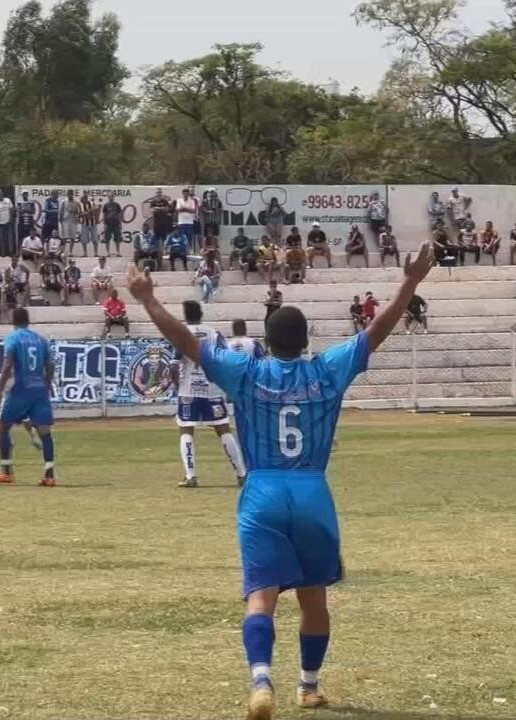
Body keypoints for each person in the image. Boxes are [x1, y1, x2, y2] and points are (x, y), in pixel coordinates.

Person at [126, 241, 433, 718]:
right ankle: (308, 687)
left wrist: (146, 299)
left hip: (263, 489)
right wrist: (410, 282)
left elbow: (186, 343)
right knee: (315, 599)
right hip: (312, 490)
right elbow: (377, 330)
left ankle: (261, 680)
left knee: (261, 596)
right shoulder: (328, 369)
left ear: (266, 343)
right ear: (307, 340)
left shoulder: (246, 372)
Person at [157, 301, 248, 488]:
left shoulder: (182, 334)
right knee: (223, 429)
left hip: (189, 389)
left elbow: (174, 365)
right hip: (212, 387)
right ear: (201, 313)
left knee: (186, 429)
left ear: (185, 314)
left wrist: (176, 384)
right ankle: (241, 474)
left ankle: (191, 476)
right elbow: (225, 358)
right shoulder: (214, 333)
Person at [0, 307, 58, 486]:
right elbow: (50, 365)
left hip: (21, 388)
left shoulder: (13, 338)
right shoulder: (40, 339)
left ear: (13, 320)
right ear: (28, 321)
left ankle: (6, 471)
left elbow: (7, 366)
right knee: (44, 431)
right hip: (39, 390)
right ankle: (49, 475)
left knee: (3, 426)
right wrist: (47, 383)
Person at [175, 187, 199, 253]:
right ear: (182, 194)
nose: (185, 195)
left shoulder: (192, 201)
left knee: (189, 237)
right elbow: (178, 209)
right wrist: (187, 209)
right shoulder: (179, 200)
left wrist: (184, 208)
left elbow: (193, 210)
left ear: (188, 194)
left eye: (187, 193)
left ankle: (190, 249)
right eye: (184, 193)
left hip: (189, 222)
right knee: (182, 237)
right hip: (181, 222)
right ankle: (182, 250)